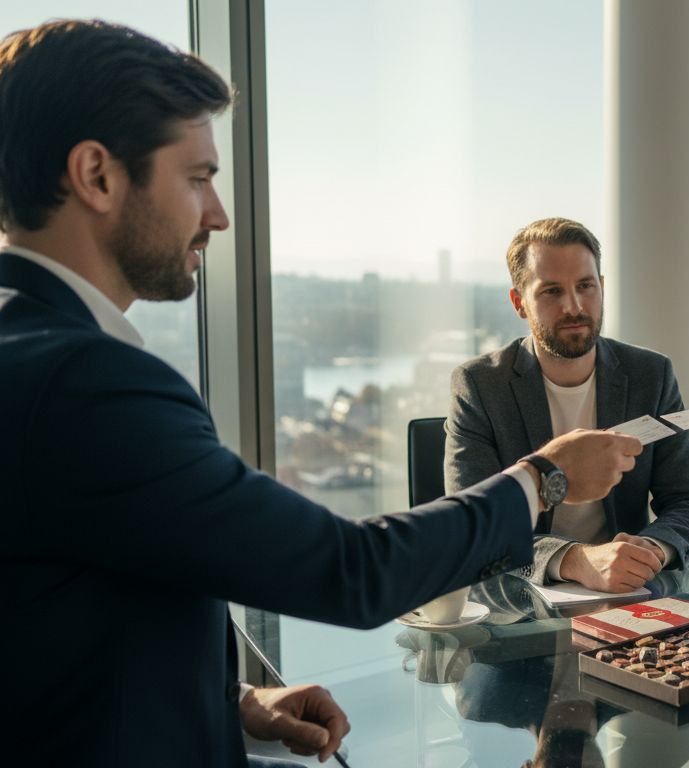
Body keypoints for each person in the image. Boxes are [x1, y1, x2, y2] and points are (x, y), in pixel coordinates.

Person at [0, 20, 642, 767]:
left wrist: (237, 702)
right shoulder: (89, 382)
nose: (218, 214)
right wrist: (545, 476)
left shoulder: (32, 355)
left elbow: (70, 616)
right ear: (97, 175)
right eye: (198, 178)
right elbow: (353, 571)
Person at [444, 217, 689, 593]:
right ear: (520, 303)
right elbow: (474, 525)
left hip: (628, 592)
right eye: (552, 291)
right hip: (521, 598)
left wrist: (650, 551)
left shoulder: (650, 375)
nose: (573, 307)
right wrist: (575, 560)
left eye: (585, 286)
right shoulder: (480, 385)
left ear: (601, 287)